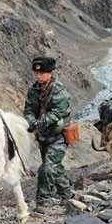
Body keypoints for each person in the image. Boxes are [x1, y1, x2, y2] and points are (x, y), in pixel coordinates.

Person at [23, 56, 72, 209]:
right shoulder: (34, 90)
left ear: (50, 73)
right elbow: (29, 109)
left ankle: (42, 203)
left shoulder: (58, 90)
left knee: (47, 168)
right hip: (44, 136)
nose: (38, 76)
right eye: (37, 74)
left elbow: (58, 112)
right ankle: (67, 194)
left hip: (59, 135)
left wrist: (41, 121)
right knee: (54, 167)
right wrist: (31, 121)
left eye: (42, 73)